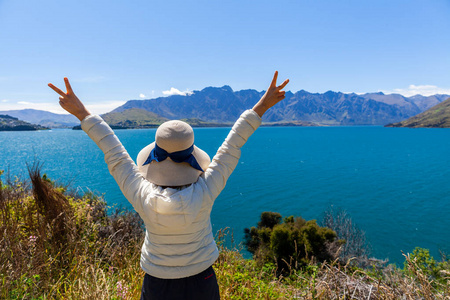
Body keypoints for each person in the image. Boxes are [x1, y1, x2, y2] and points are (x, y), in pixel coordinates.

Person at [48, 71, 289, 300]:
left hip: (157, 283)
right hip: (202, 280)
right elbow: (232, 146)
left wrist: (81, 112)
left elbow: (113, 151)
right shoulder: (206, 190)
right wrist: (263, 106)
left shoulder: (142, 194)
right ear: (192, 156)